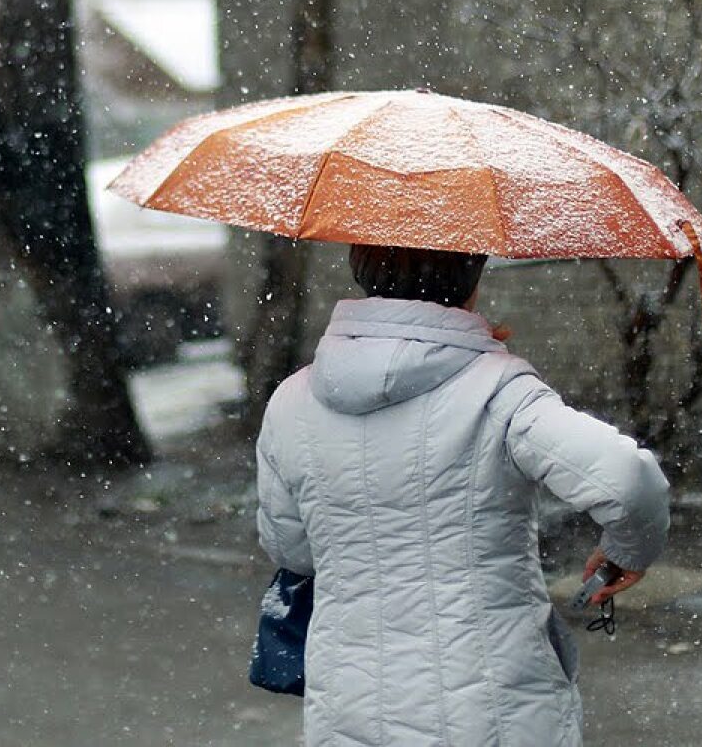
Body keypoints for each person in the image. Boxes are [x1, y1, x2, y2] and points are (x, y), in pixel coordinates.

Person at [255, 242, 671, 747]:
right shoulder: (500, 391)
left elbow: (292, 550)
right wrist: (627, 551)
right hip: (493, 707)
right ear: (472, 279)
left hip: (350, 704)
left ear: (361, 268)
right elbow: (627, 481)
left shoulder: (292, 400)